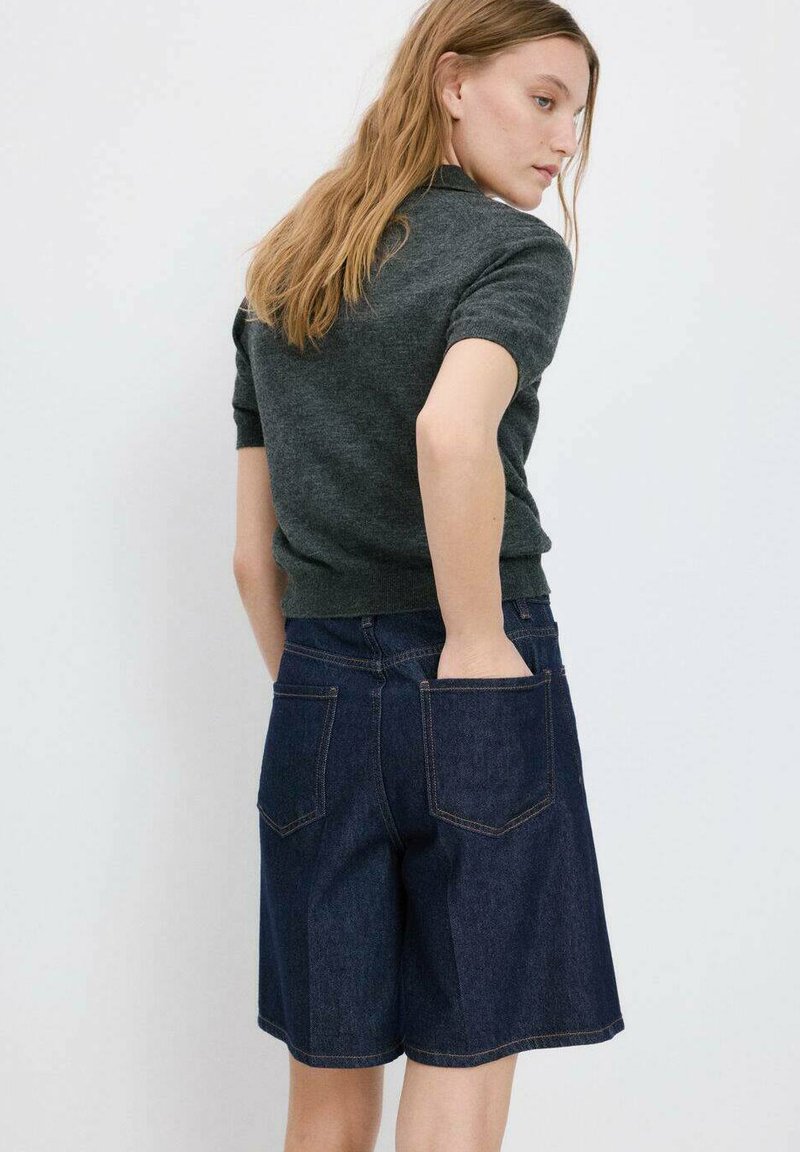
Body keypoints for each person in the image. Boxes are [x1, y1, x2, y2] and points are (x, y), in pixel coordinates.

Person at [231, 1, 624, 1148]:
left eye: (575, 115)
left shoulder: (286, 269)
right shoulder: (512, 253)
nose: (561, 140)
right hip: (475, 657)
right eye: (542, 100)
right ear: (450, 82)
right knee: (465, 1052)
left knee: (326, 1078)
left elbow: (252, 556)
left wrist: (316, 685)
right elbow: (451, 434)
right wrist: (476, 643)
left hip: (316, 685)